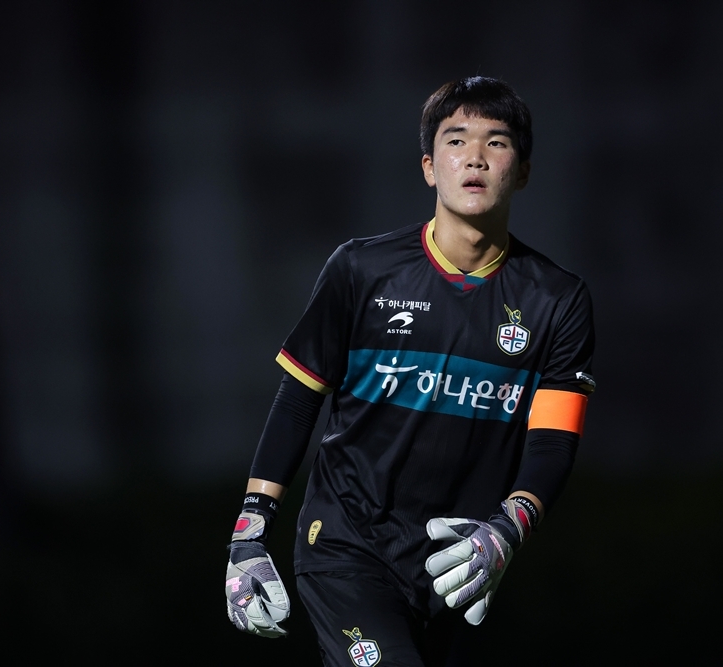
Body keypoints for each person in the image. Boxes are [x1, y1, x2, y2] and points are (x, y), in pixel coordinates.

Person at [225, 76, 596, 666]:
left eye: (497, 142)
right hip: (345, 548)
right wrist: (249, 536)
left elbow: (552, 443)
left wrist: (507, 530)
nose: (475, 157)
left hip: (460, 565)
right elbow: (297, 402)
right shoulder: (360, 270)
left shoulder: (558, 300)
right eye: (456, 140)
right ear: (429, 167)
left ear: (523, 171)